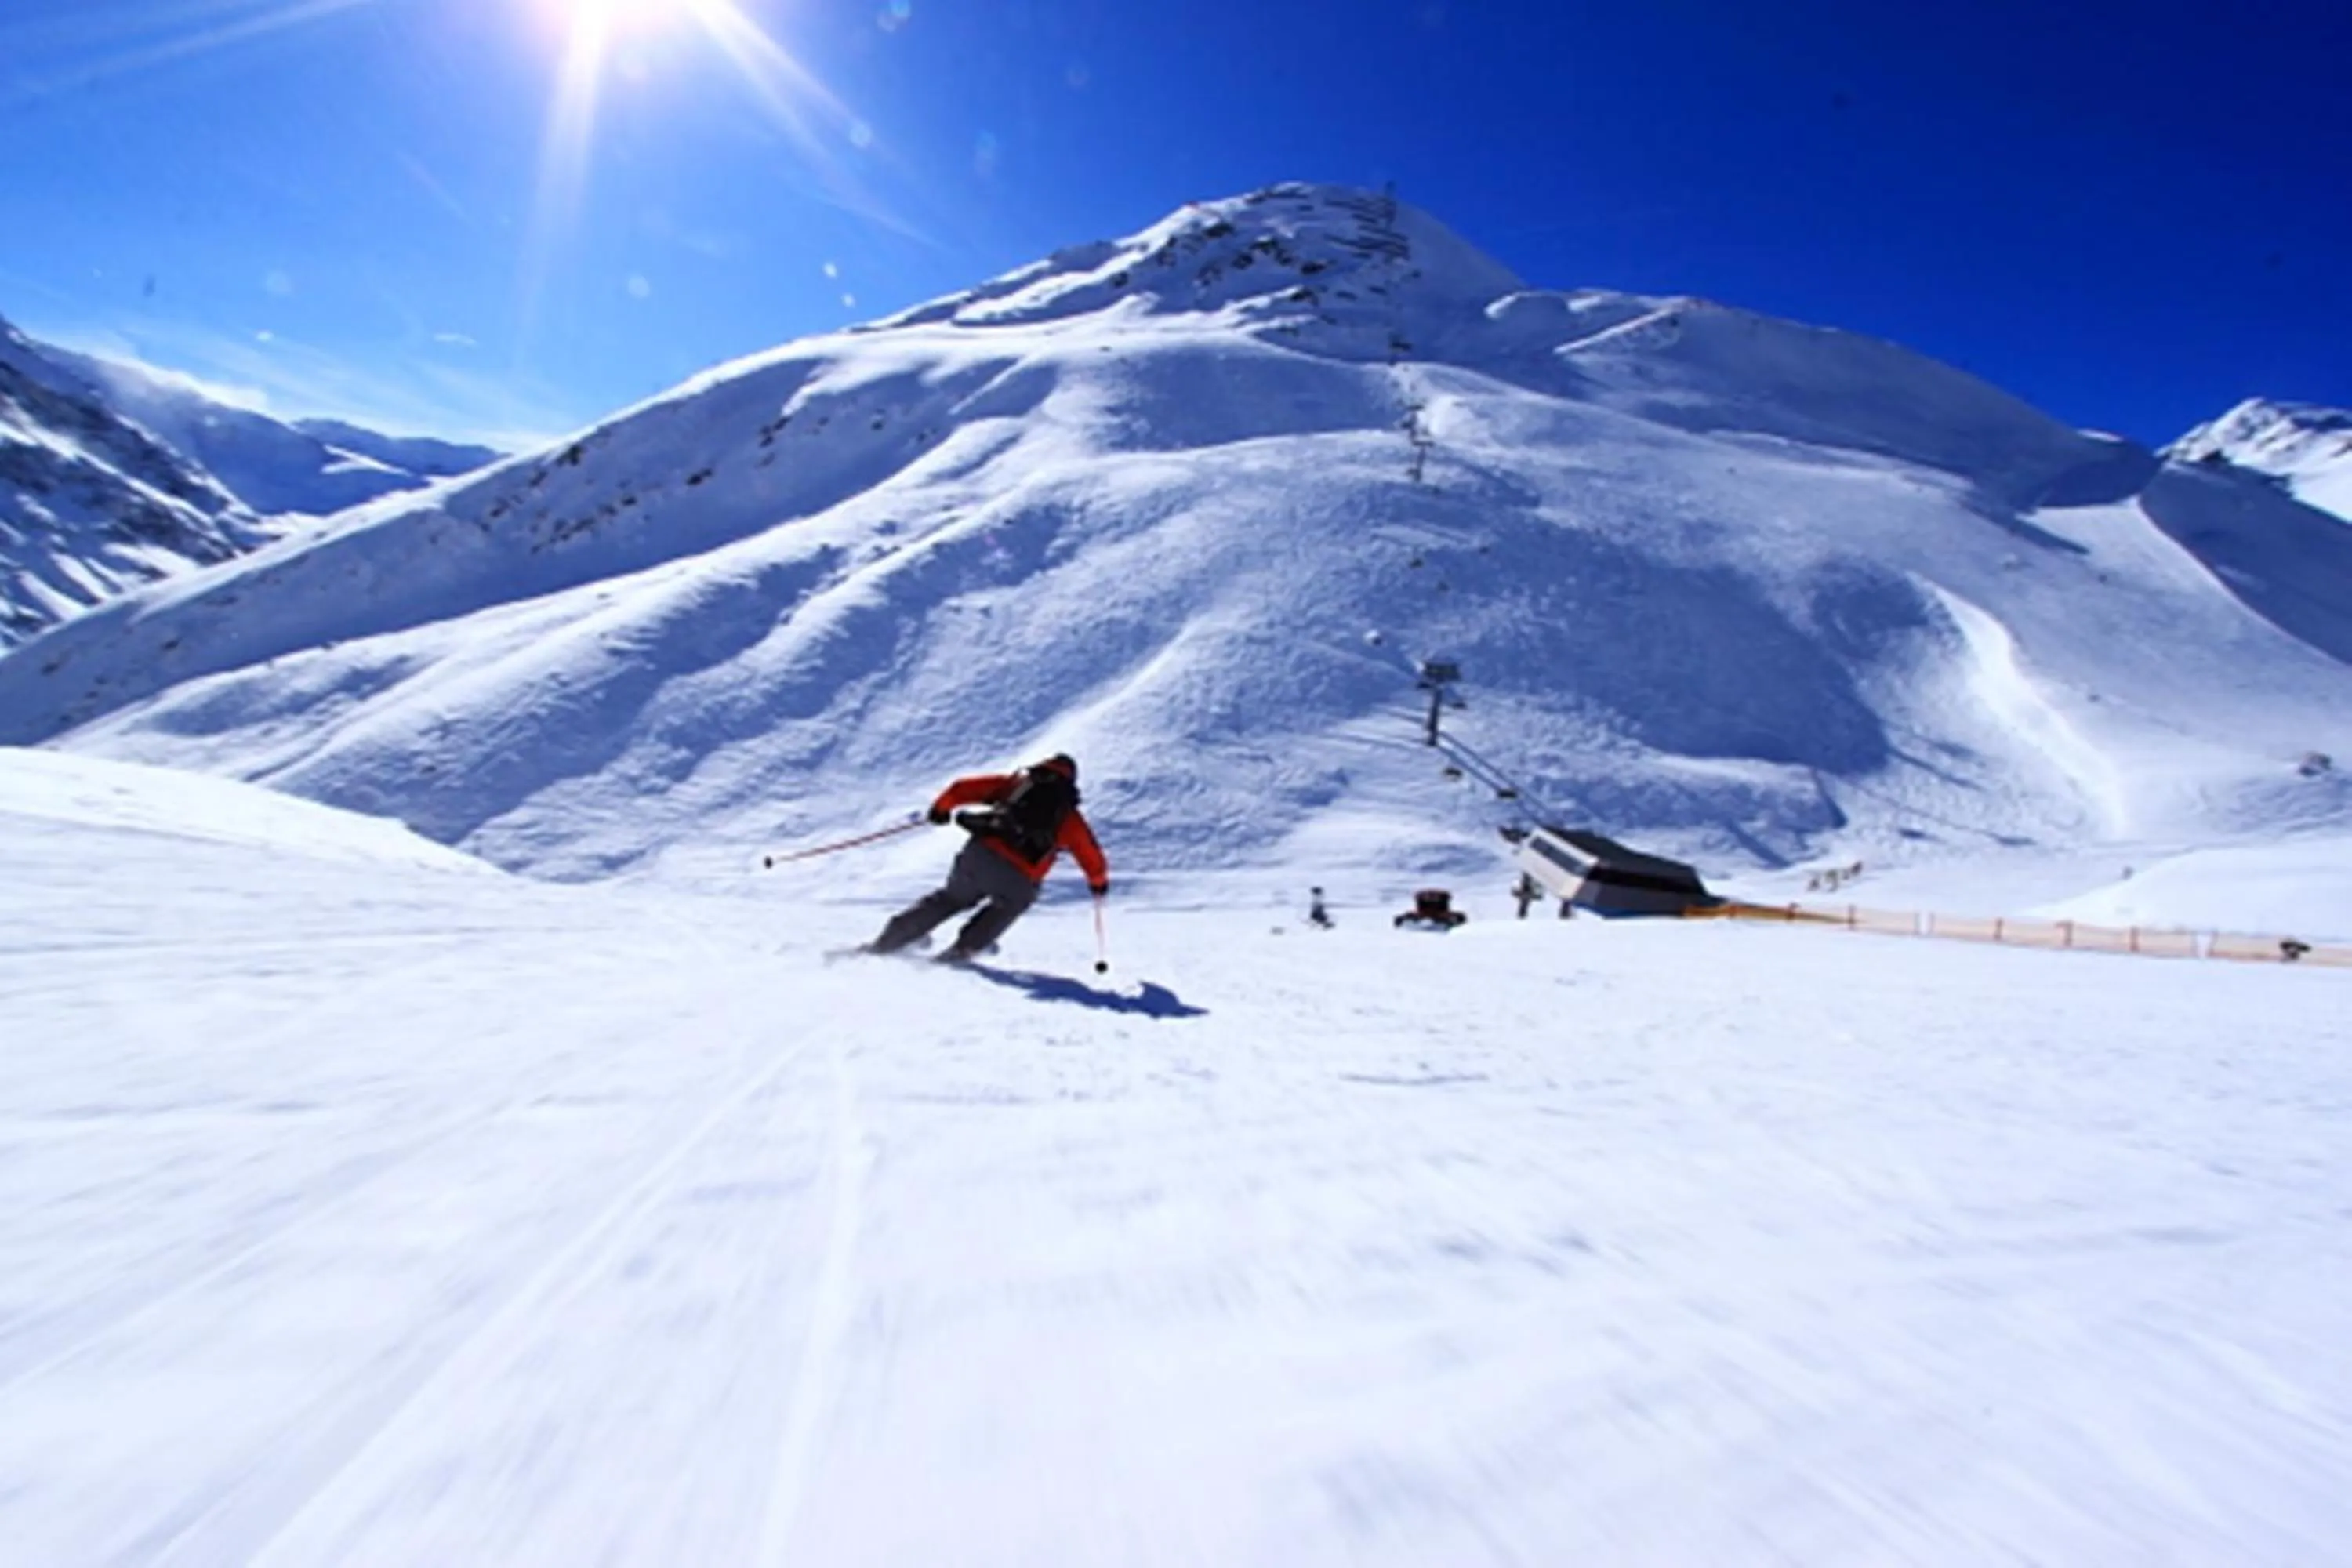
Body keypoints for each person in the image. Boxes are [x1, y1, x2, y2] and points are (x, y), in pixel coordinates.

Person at [866, 753, 1108, 963]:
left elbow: (961, 788)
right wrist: (1098, 883)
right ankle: (964, 950)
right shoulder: (1069, 816)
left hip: (979, 855)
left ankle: (889, 940)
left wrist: (941, 809)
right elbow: (1090, 854)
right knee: (1007, 907)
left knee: (950, 898)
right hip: (1020, 877)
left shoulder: (1016, 785)